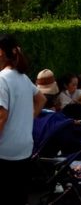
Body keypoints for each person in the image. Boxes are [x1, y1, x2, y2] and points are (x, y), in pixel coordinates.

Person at [0, 34, 46, 205]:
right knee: (19, 197)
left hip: (5, 150)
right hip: (24, 147)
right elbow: (41, 99)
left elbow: (1, 117)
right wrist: (28, 118)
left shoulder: (1, 79)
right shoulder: (23, 77)